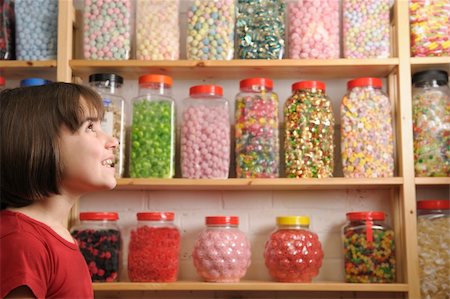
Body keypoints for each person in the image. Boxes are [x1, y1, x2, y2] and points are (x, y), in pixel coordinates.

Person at [0, 82, 118, 298]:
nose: (113, 141)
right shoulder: (22, 242)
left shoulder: (57, 234)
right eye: (90, 128)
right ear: (40, 144)